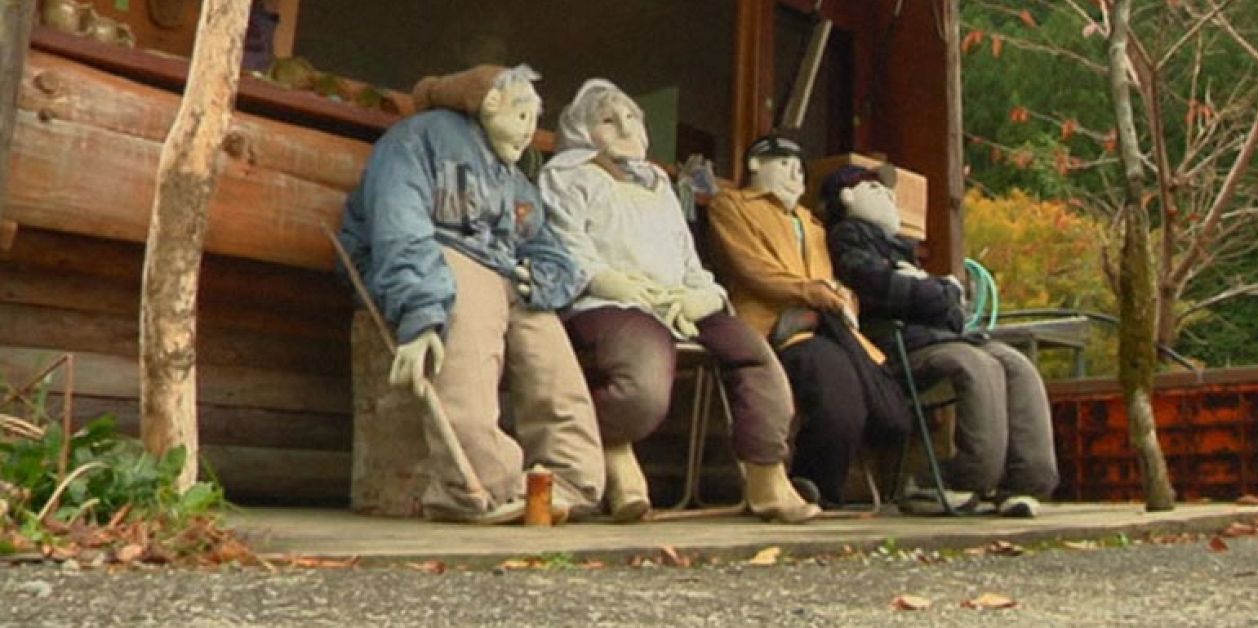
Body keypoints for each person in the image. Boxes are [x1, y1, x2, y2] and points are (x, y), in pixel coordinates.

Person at [538, 79, 820, 524]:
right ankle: (615, 453)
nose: (624, 126)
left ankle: (767, 480)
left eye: (631, 117)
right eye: (608, 120)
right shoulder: (566, 175)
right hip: (607, 301)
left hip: (674, 303)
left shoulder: (658, 182)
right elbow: (566, 247)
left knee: (756, 357)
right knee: (643, 383)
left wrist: (701, 294)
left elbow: (687, 257)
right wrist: (619, 285)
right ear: (582, 131)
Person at [338, 64, 605, 525]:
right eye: (523, 116)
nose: (529, 132)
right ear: (491, 104)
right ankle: (479, 486)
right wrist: (421, 314)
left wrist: (540, 281)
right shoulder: (415, 140)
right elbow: (401, 231)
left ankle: (568, 483)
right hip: (437, 266)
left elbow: (551, 251)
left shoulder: (514, 179)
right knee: (469, 331)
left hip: (498, 272)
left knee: (549, 352)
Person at [822, 163, 1057, 517]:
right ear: (846, 197)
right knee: (976, 365)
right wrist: (936, 289)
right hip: (892, 349)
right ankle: (962, 478)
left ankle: (1026, 483)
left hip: (935, 338)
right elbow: (876, 287)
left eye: (888, 191)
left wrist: (930, 290)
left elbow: (951, 311)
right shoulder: (845, 238)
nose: (887, 196)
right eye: (873, 189)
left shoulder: (901, 250)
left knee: (1016, 364)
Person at [705, 134, 910, 509]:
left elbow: (833, 282)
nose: (795, 175)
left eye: (800, 169)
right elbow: (755, 271)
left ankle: (816, 485)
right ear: (754, 165)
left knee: (875, 389)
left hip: (827, 326)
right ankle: (812, 486)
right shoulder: (732, 205)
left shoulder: (812, 224)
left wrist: (841, 298)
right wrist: (817, 293)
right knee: (836, 385)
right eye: (784, 164)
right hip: (774, 326)